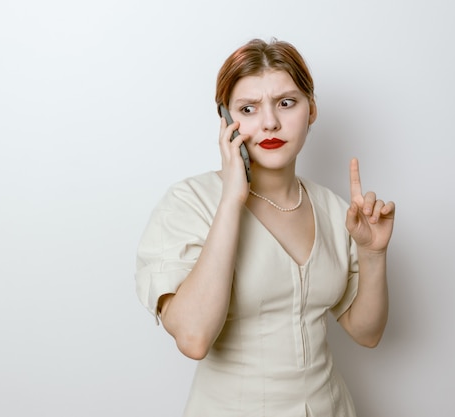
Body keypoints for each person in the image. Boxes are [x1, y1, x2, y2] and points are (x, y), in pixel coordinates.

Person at [135, 38, 395, 417]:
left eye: (286, 103)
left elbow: (367, 333)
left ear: (312, 111)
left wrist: (373, 254)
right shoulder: (190, 203)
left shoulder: (333, 208)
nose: (270, 122)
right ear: (226, 119)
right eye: (248, 108)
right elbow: (193, 338)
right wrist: (231, 200)